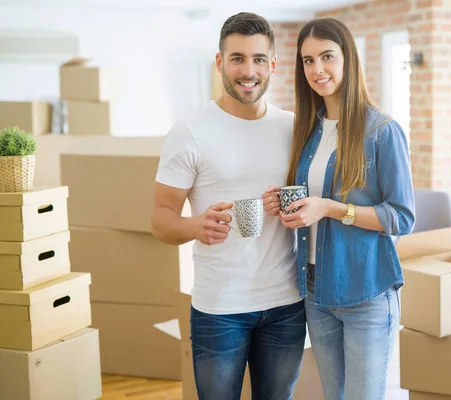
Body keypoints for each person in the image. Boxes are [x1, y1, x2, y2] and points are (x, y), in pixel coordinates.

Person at [151, 12, 306, 400]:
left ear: (272, 65)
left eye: (257, 59)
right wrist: (195, 226)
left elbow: (311, 203)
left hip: (286, 304)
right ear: (220, 63)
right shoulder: (189, 132)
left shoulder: (294, 127)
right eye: (237, 58)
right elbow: (160, 219)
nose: (247, 70)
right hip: (220, 308)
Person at [262, 17, 415, 400]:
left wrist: (331, 208)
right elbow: (313, 196)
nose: (317, 69)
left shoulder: (381, 130)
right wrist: (285, 200)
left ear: (348, 58)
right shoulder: (308, 129)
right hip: (316, 291)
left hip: (367, 292)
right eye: (308, 60)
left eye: (327, 57)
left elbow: (401, 217)